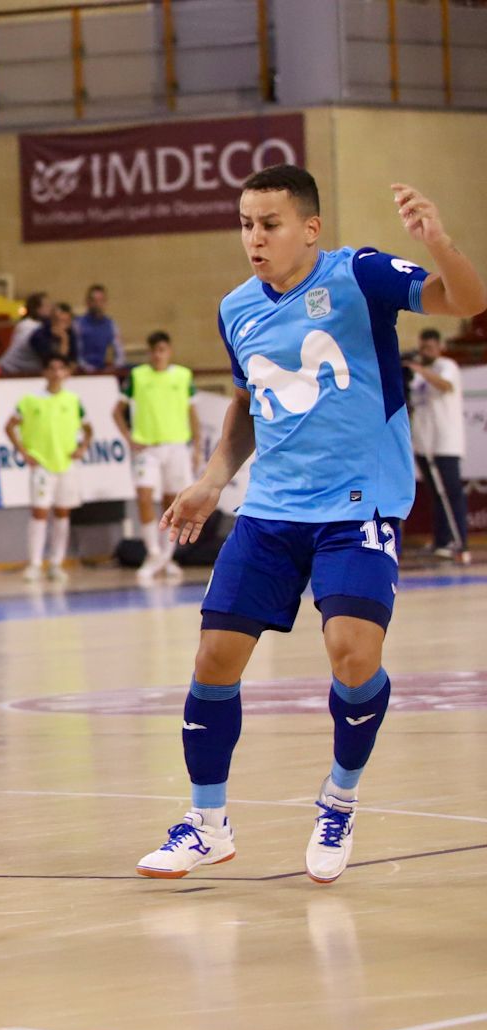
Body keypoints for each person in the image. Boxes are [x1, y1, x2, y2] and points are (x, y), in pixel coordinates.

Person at [136, 167, 486, 883]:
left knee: (352, 655)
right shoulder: (237, 307)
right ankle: (207, 823)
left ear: (309, 228)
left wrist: (440, 243)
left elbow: (468, 301)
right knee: (213, 659)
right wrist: (210, 482)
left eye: (268, 223)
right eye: (245, 224)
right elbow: (247, 405)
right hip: (271, 510)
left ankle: (339, 797)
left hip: (359, 504)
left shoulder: (359, 275)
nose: (254, 238)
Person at [115, 330, 200, 581]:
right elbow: (116, 411)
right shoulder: (137, 376)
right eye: (154, 351)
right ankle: (152, 552)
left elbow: (193, 413)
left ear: (169, 351)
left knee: (172, 503)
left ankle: (166, 557)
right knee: (144, 496)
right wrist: (129, 438)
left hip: (176, 446)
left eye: (162, 350)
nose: (158, 355)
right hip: (147, 447)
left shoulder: (183, 376)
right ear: (149, 352)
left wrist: (196, 447)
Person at [6, 354, 92, 583]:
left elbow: (89, 428)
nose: (56, 373)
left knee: (63, 512)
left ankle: (56, 563)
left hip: (66, 464)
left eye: (60, 368)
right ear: (44, 372)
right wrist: (23, 452)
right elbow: (10, 426)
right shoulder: (30, 400)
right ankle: (35, 564)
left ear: (66, 372)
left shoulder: (73, 400)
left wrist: (82, 446)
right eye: (51, 368)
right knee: (40, 512)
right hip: (42, 464)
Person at [407, 328, 469, 564]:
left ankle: (458, 541)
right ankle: (442, 541)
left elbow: (445, 386)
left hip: (446, 442)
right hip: (425, 443)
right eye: (423, 347)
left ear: (439, 346)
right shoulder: (418, 375)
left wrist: (420, 369)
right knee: (437, 495)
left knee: (451, 493)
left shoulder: (447, 366)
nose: (425, 352)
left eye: (429, 348)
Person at [75, 284, 123, 372]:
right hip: (81, 372)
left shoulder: (111, 324)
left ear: (105, 302)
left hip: (102, 370)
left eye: (101, 300)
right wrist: (88, 368)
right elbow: (76, 353)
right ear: (87, 302)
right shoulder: (78, 324)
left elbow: (119, 352)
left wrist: (115, 366)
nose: (97, 304)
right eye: (94, 301)